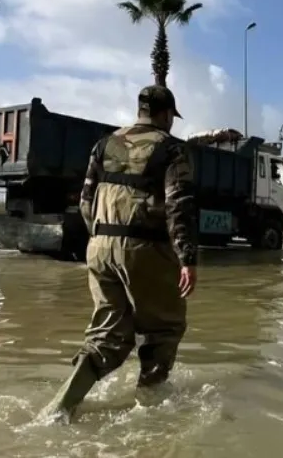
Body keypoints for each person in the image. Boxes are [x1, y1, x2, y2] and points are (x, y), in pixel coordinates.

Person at [46, 85, 199, 423]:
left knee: (107, 335)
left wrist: (102, 241)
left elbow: (85, 200)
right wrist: (187, 259)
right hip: (145, 247)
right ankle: (150, 410)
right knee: (163, 329)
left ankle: (59, 408)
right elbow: (180, 206)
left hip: (98, 247)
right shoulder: (173, 149)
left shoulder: (104, 144)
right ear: (166, 114)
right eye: (172, 115)